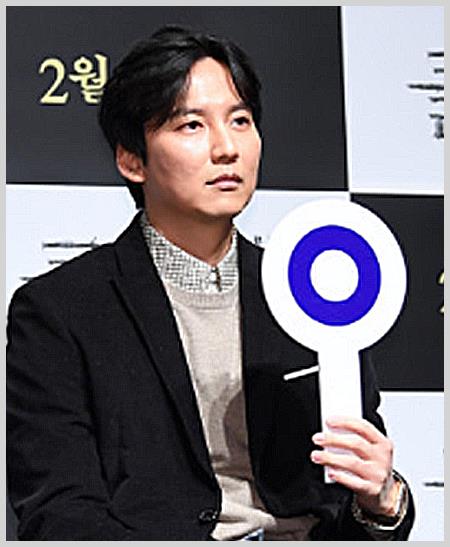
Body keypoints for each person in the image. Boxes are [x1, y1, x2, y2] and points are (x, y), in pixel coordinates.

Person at [6, 25, 414, 540]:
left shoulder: (313, 286)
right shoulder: (61, 310)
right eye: (192, 125)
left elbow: (360, 507)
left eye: (240, 120)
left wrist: (384, 500)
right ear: (131, 159)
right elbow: (59, 512)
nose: (226, 148)